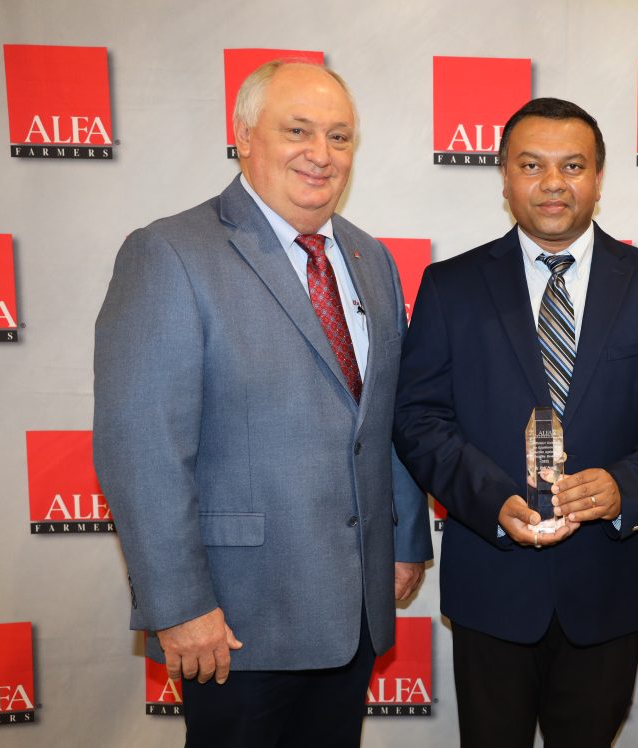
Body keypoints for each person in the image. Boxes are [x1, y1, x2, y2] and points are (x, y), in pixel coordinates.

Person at [93, 60, 432, 747]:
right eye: (298, 130)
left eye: (340, 137)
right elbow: (142, 448)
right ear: (243, 136)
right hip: (236, 619)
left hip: (356, 609)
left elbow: (383, 419)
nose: (321, 154)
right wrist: (179, 604)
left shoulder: (372, 259)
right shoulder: (170, 253)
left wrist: (401, 541)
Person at [394, 97, 638, 747]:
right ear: (505, 176)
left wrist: (626, 486)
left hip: (610, 584)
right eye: (531, 165)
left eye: (573, 166)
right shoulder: (450, 286)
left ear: (599, 178)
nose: (552, 183)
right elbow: (419, 418)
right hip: (493, 579)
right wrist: (490, 500)